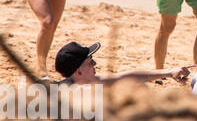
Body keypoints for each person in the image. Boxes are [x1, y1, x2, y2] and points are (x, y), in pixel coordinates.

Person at [55, 40, 189, 85]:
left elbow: (126, 76)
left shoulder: (86, 81)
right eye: (90, 62)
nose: (95, 64)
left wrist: (169, 72)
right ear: (78, 71)